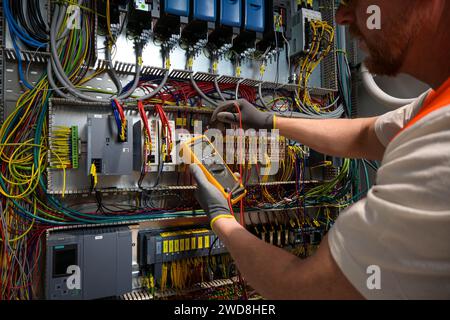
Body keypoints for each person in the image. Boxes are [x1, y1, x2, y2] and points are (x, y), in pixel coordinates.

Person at [190, 0, 450, 299]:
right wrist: (270, 120)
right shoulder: (436, 104)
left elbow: (306, 288)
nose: (341, 16)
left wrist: (221, 219)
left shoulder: (440, 137)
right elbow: (365, 134)